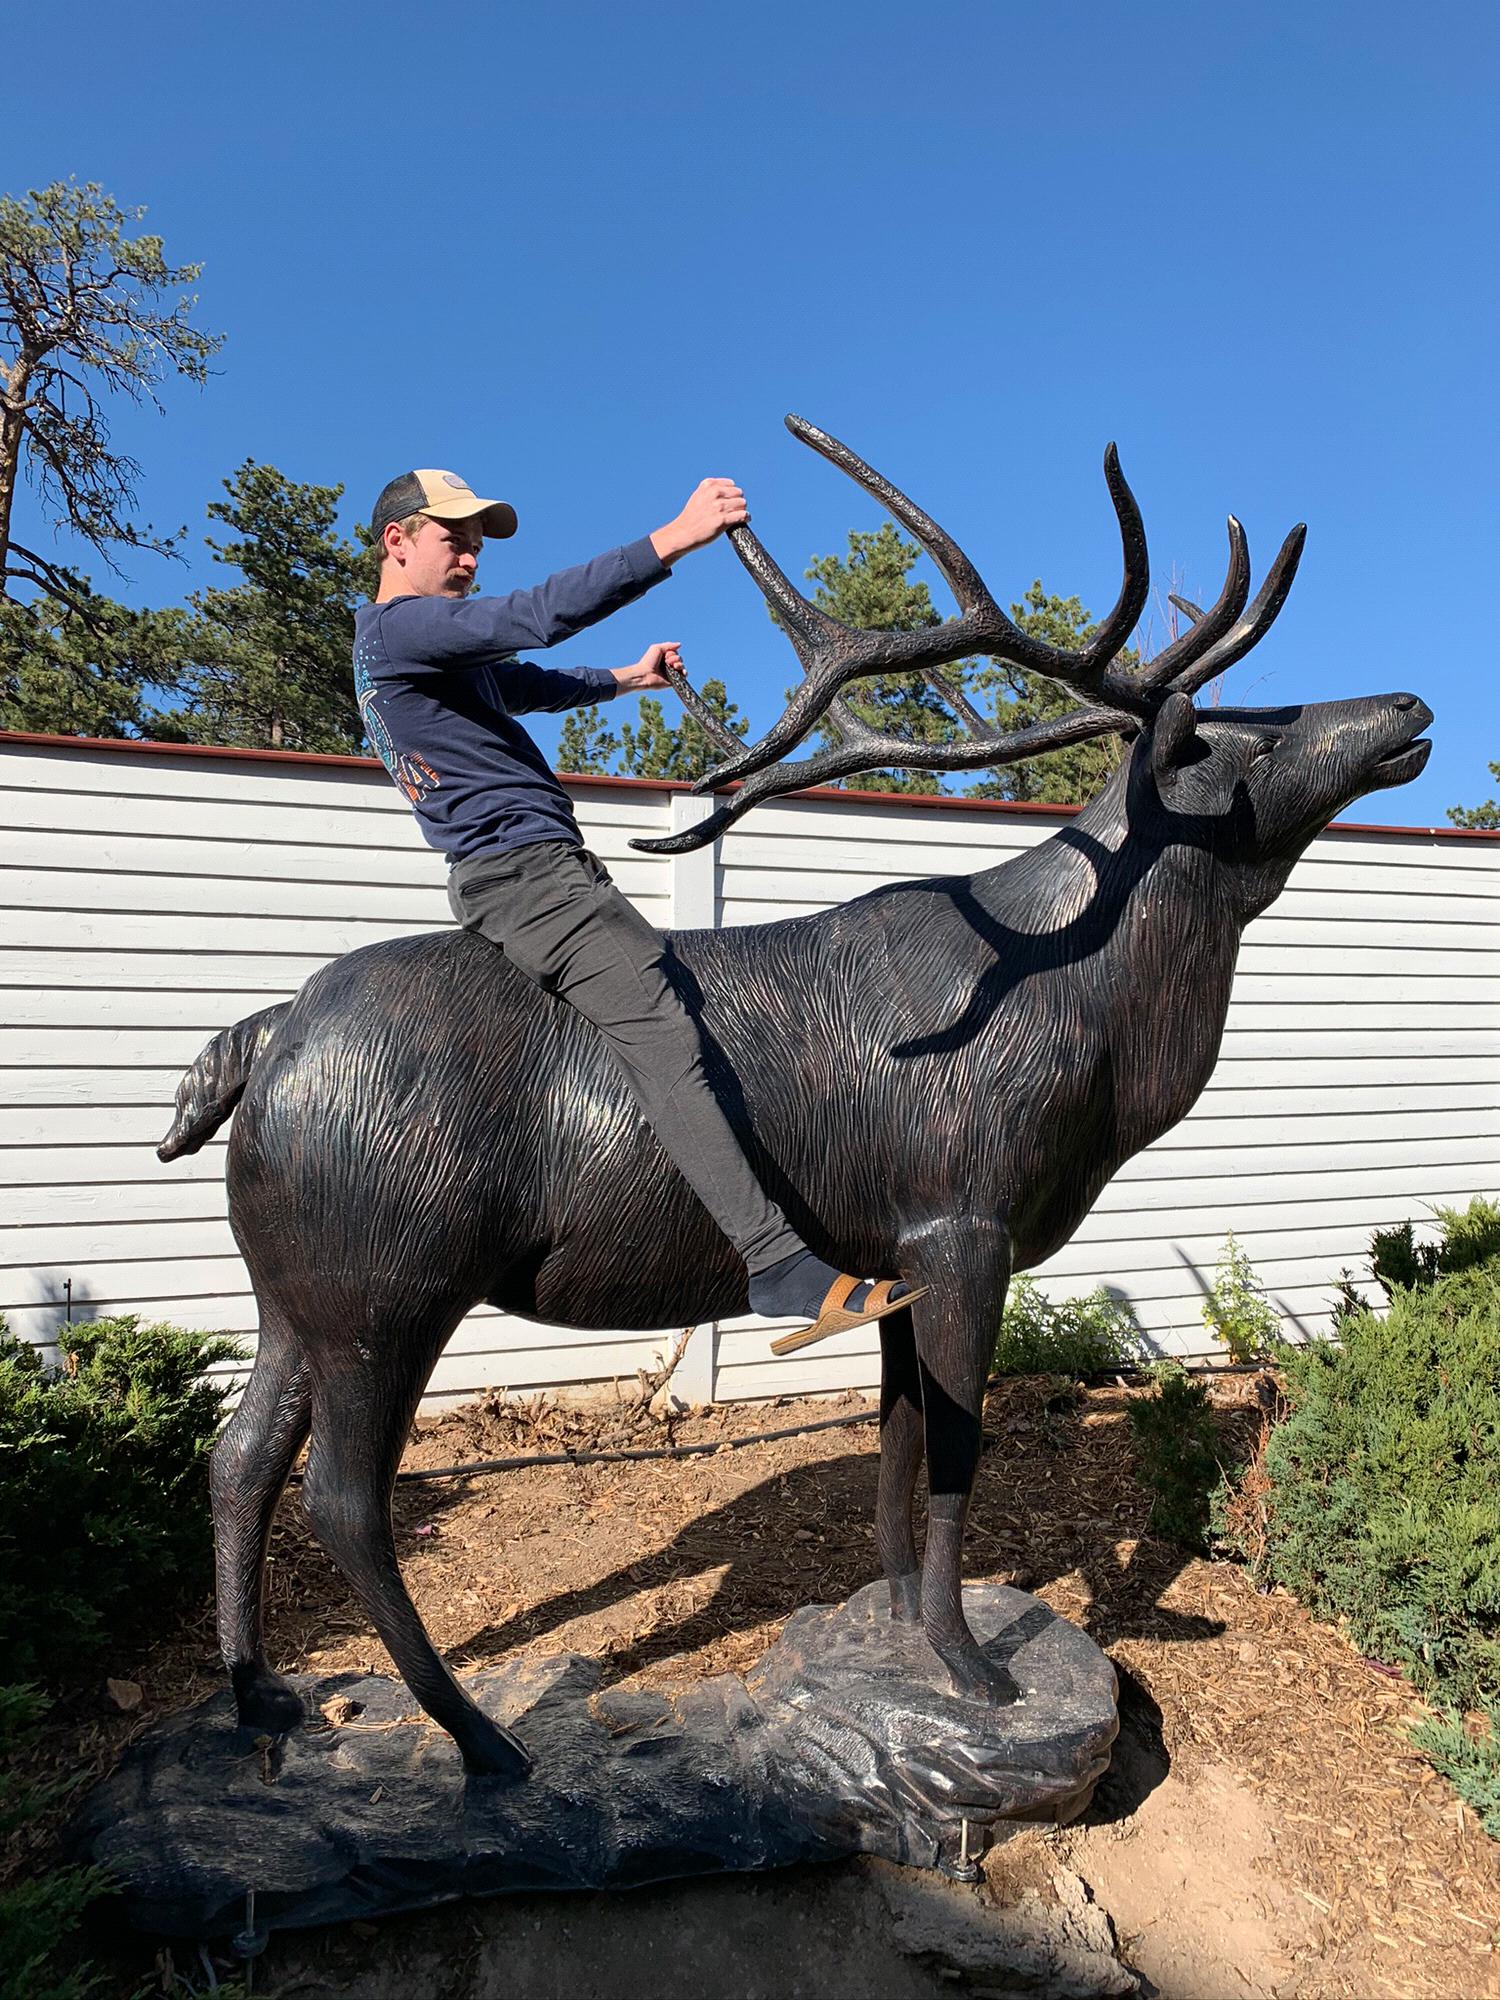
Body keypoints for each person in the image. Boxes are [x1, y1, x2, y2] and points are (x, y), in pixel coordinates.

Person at [353, 465, 926, 1351]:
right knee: (662, 1027)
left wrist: (627, 678)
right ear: (397, 541)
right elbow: (531, 617)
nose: (468, 554)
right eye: (451, 535)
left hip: (527, 873)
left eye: (476, 539)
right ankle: (776, 1263)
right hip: (530, 880)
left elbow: (526, 680)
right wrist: (674, 537)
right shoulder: (404, 629)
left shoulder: (420, 656)